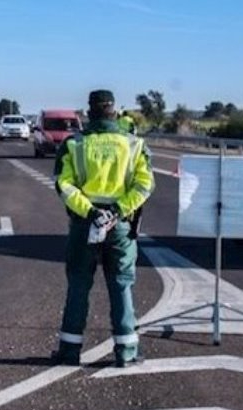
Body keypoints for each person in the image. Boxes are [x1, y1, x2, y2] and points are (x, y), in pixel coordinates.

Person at [50, 90, 154, 367]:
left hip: (85, 224)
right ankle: (127, 352)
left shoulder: (75, 144)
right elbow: (145, 185)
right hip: (120, 225)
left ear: (89, 112)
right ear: (115, 112)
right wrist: (118, 211)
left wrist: (92, 212)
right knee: (121, 285)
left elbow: (64, 184)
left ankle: (69, 352)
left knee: (79, 286)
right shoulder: (133, 144)